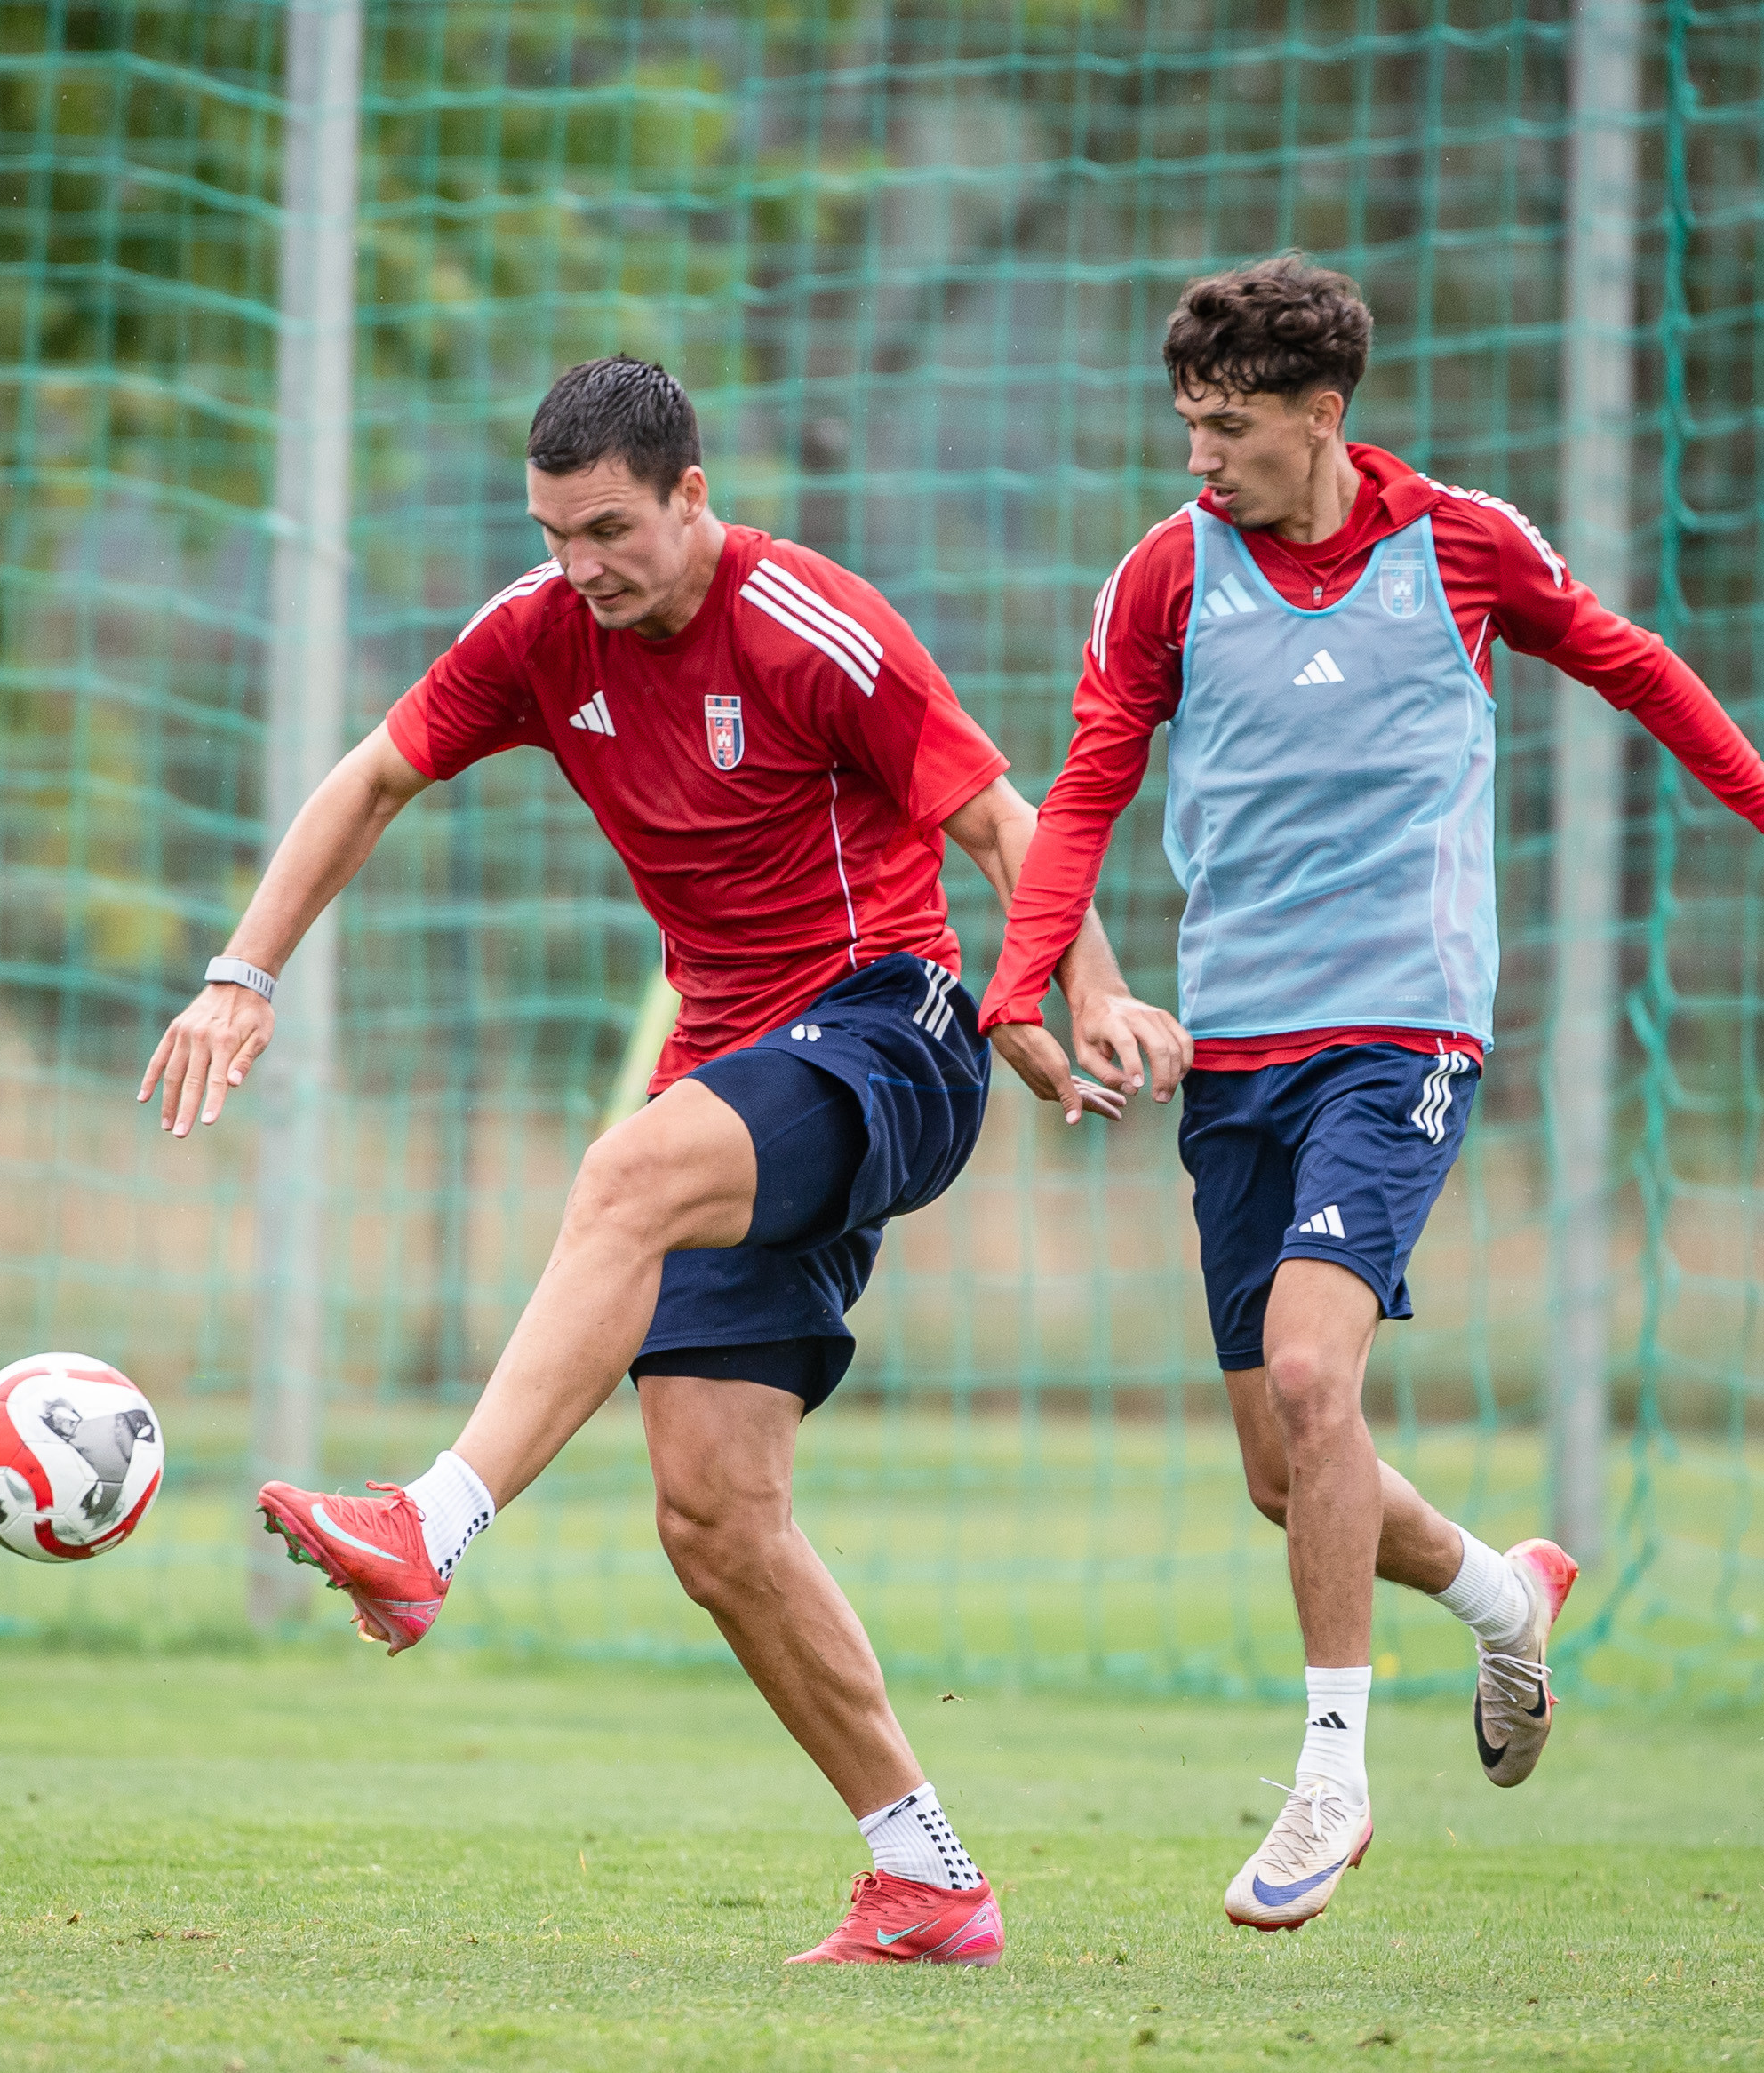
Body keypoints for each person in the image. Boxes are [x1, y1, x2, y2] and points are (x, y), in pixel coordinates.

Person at [138, 355, 1184, 1967]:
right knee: (713, 1516)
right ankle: (927, 1876)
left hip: (890, 1027)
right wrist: (242, 973)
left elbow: (999, 818)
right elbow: (374, 777)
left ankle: (429, 1526)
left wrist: (1073, 985)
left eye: (610, 529)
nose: (581, 566)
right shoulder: (538, 632)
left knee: (623, 1173)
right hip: (734, 1070)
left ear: (691, 495)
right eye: (554, 534)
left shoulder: (808, 621)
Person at [976, 255, 1764, 1933]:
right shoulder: (1164, 577)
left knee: (1312, 1374)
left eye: (1230, 427)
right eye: (1188, 424)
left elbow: (1638, 668)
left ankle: (1331, 1777)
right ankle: (1503, 1599)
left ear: (1322, 414)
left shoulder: (1462, 546)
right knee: (1288, 1471)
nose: (1200, 458)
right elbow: (1083, 796)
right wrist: (1021, 985)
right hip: (1239, 1052)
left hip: (1406, 1034)